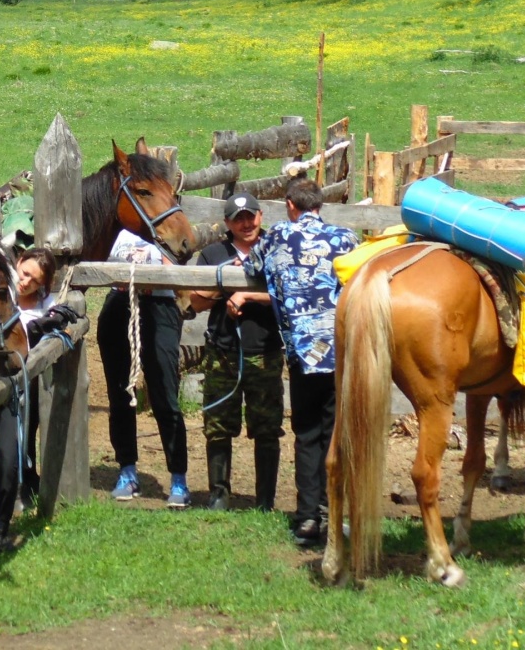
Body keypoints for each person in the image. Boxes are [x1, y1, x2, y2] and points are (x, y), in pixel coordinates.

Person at [244, 175, 357, 546]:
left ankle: (308, 517)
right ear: (319, 206)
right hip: (341, 353)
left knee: (307, 433)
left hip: (303, 355)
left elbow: (252, 270)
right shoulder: (344, 239)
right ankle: (333, 512)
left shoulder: (276, 236)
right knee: (335, 433)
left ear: (290, 205)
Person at [189, 191, 282, 511]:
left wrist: (248, 296)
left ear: (261, 217)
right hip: (223, 350)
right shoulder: (214, 253)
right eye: (238, 218)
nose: (246, 223)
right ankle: (219, 493)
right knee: (217, 423)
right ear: (228, 223)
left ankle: (266, 500)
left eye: (250, 216)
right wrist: (224, 284)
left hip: (266, 350)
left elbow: (291, 292)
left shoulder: (277, 248)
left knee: (267, 426)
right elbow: (196, 301)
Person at [97, 229, 191, 507]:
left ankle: (178, 477)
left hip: (160, 304)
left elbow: (178, 266)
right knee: (120, 394)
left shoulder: (170, 227)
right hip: (120, 302)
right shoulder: (118, 227)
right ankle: (127, 470)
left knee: (165, 394)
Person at [0, 247, 56, 553]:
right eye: (23, 272)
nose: (25, 281)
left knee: (8, 459)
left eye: (33, 279)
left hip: (7, 384)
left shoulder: (37, 305)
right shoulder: (1, 284)